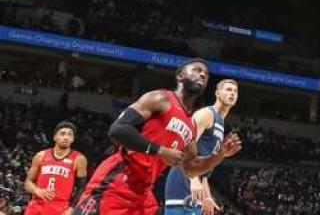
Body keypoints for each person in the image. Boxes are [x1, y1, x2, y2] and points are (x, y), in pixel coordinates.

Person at [73, 59, 242, 215]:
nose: (202, 74)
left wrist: (220, 155)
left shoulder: (190, 126)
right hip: (119, 177)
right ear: (180, 76)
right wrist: (160, 151)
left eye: (206, 74)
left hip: (143, 192)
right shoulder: (161, 98)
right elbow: (117, 130)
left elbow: (191, 167)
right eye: (197, 70)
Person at [164, 78, 240, 215]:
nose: (232, 93)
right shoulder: (206, 114)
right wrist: (193, 179)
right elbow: (183, 144)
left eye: (235, 91)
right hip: (183, 178)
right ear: (217, 93)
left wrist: (207, 196)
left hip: (196, 181)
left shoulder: (220, 125)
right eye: (228, 89)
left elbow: (205, 170)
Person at [23, 121, 88, 215]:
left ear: (73, 139)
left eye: (70, 135)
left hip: (60, 207)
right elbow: (28, 183)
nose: (66, 137)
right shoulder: (41, 155)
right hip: (37, 204)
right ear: (55, 137)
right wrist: (37, 190)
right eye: (62, 134)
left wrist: (72, 208)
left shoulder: (79, 159)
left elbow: (81, 188)